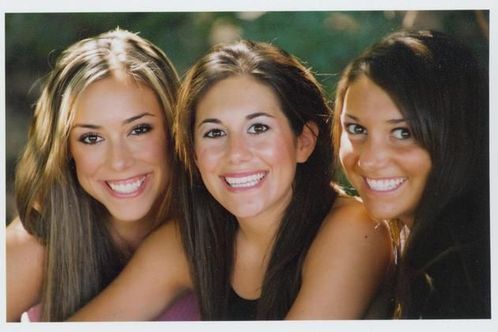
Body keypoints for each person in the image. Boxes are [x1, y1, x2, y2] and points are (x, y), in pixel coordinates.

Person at [69, 39, 392, 321]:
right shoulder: (190, 240)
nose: (236, 153)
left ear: (303, 142)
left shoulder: (356, 228)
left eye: (258, 128)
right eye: (215, 133)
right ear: (193, 154)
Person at [6, 28, 199, 322]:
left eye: (139, 130)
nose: (119, 161)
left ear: (174, 128)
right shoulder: (37, 244)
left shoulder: (216, 227)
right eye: (91, 138)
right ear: (65, 149)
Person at [333, 30, 490, 318]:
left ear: (457, 135)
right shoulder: (414, 243)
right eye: (356, 129)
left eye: (403, 133)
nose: (369, 161)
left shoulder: (465, 271)